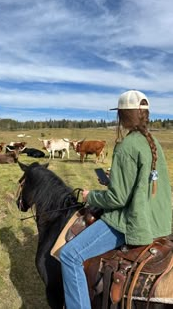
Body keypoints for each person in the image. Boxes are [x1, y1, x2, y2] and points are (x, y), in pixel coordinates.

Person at [59, 89, 172, 309]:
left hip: (133, 222)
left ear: (121, 115)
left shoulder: (126, 146)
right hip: (158, 220)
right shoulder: (153, 142)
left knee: (70, 255)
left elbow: (118, 199)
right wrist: (115, 180)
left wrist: (91, 195)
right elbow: (142, 184)